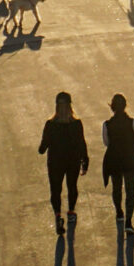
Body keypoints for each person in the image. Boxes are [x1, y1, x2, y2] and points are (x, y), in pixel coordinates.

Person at [38, 91, 89, 234]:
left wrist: (43, 146)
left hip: (55, 163)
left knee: (55, 190)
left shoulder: (51, 125)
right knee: (72, 186)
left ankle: (58, 216)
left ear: (56, 107)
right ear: (70, 107)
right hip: (72, 162)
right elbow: (82, 144)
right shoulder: (77, 124)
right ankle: (71, 212)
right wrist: (85, 161)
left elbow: (42, 148)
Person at [101, 93, 134, 230]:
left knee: (116, 188)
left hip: (114, 158)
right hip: (130, 158)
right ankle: (129, 221)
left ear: (112, 107)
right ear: (126, 106)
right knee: (130, 191)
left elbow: (106, 142)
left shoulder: (107, 125)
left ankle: (119, 212)